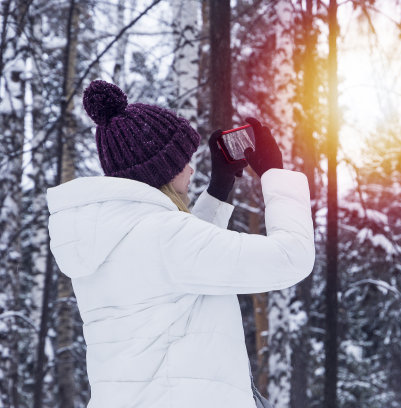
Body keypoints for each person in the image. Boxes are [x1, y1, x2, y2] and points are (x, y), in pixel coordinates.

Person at [46, 80, 315, 408]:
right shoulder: (164, 237)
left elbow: (180, 277)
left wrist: (218, 188)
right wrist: (275, 172)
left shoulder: (108, 240)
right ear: (161, 170)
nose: (190, 169)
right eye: (182, 161)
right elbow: (291, 257)